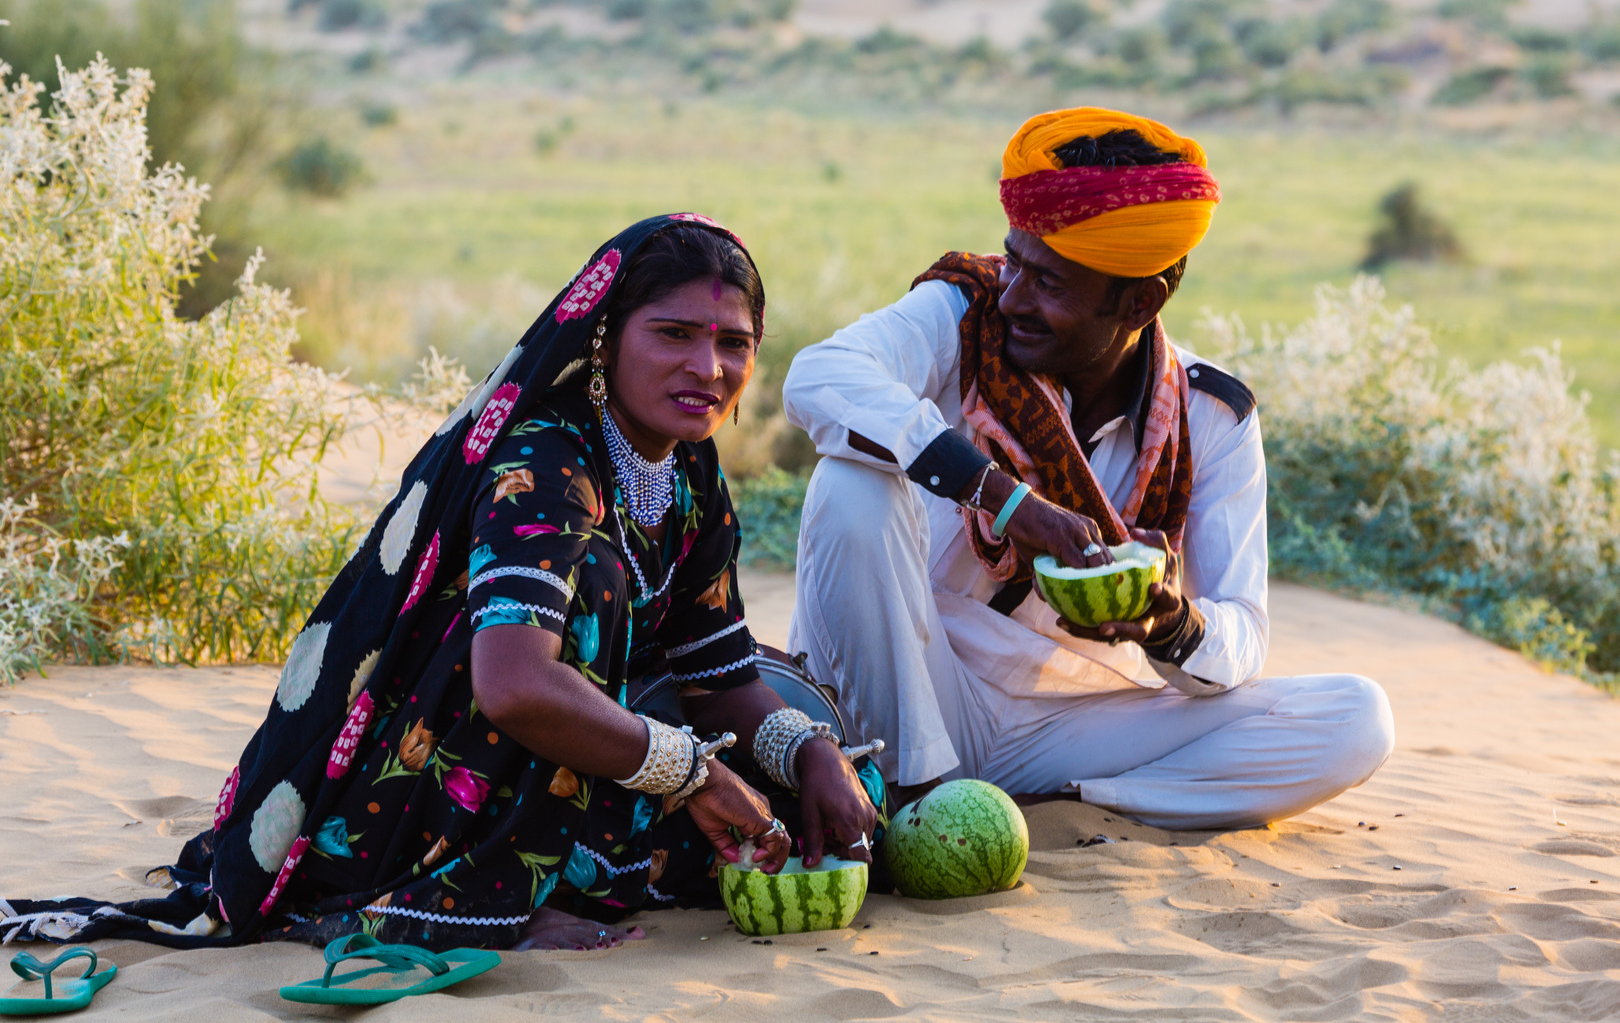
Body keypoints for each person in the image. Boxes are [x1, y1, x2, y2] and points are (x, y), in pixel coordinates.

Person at [1, 215, 878, 952]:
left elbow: (719, 671)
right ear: (607, 337)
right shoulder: (547, 457)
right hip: (429, 782)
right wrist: (690, 775)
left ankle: (583, 867)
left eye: (735, 343)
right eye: (675, 334)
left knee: (819, 806)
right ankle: (493, 897)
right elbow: (515, 685)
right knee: (599, 587)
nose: (709, 369)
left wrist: (806, 754)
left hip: (568, 766)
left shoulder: (691, 473)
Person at [782, 109, 1395, 832]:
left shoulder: (1212, 417)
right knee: (852, 485)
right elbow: (818, 377)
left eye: (1049, 284)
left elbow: (1243, 637)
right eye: (1015, 262)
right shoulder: (962, 316)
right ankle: (920, 798)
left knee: (1356, 719)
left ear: (1142, 300)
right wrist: (1006, 501)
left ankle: (1064, 808)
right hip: (910, 680)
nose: (1013, 297)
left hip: (1066, 722)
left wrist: (1170, 623)